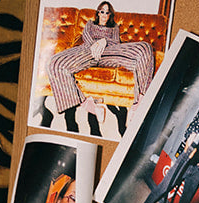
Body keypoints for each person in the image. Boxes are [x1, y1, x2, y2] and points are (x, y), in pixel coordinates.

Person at [39, 4, 154, 138]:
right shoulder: (90, 24)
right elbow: (87, 38)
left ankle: (139, 103)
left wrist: (103, 41)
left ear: (110, 15)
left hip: (108, 53)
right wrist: (96, 45)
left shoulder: (114, 28)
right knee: (55, 62)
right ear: (97, 13)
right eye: (102, 12)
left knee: (145, 48)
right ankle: (89, 106)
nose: (104, 15)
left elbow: (115, 44)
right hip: (88, 52)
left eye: (107, 13)